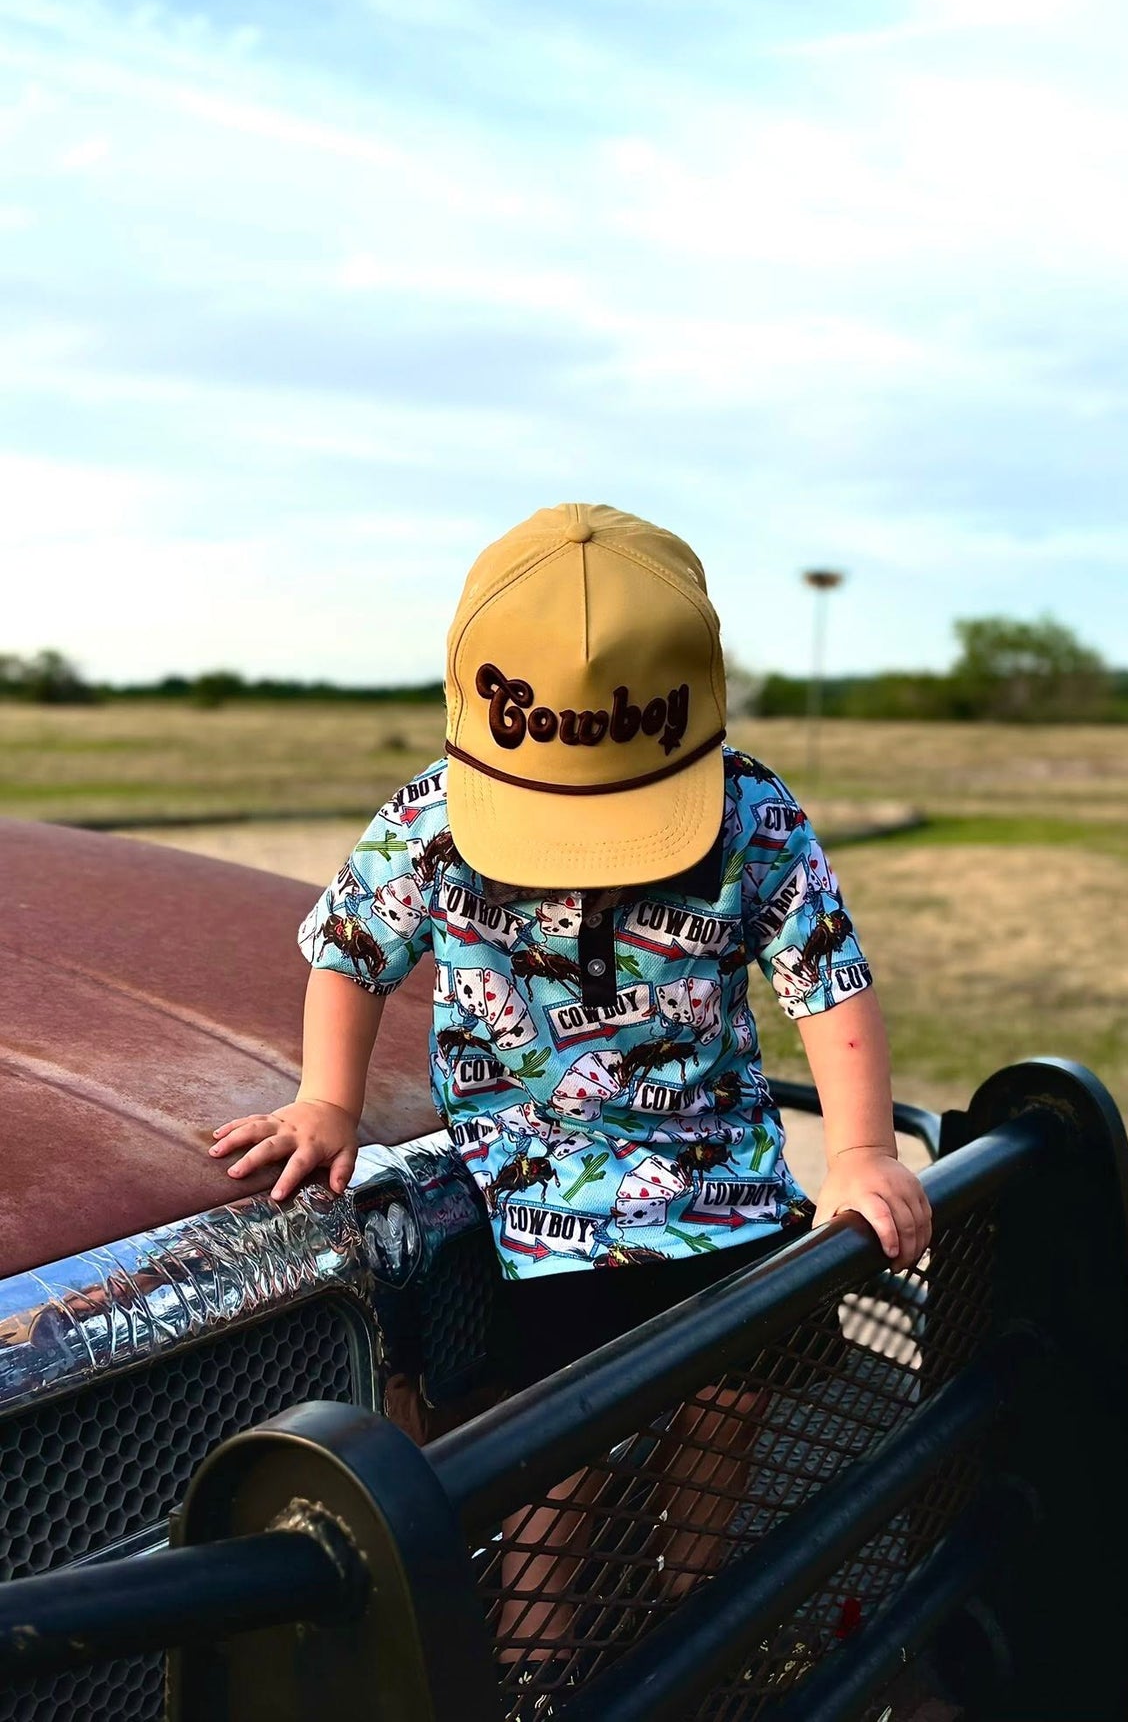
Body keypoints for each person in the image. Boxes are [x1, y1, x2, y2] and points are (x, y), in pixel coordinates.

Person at [210, 501, 932, 1667]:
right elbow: (347, 952)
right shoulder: (431, 823)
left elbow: (828, 983)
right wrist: (325, 1104)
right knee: (547, 1445)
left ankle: (702, 1622)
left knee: (729, 1401)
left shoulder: (751, 817)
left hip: (723, 1178)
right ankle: (543, 1659)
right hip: (537, 1206)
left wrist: (857, 1153)